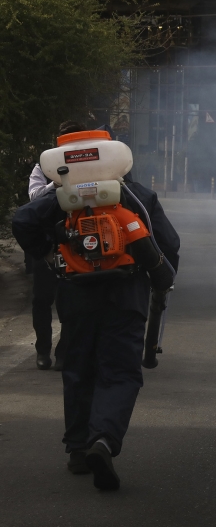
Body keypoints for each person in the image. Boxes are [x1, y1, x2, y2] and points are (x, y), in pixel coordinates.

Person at [12, 146, 179, 490]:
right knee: (118, 373)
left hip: (75, 294)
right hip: (126, 296)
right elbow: (169, 243)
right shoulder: (137, 195)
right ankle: (102, 440)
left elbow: (22, 221)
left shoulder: (62, 198)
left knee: (78, 369)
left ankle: (76, 450)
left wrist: (48, 253)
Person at [26, 121, 80, 370]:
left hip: (77, 238)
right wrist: (57, 182)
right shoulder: (44, 165)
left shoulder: (91, 164)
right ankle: (43, 351)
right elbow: (35, 198)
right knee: (42, 299)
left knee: (70, 299)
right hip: (46, 240)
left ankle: (64, 352)